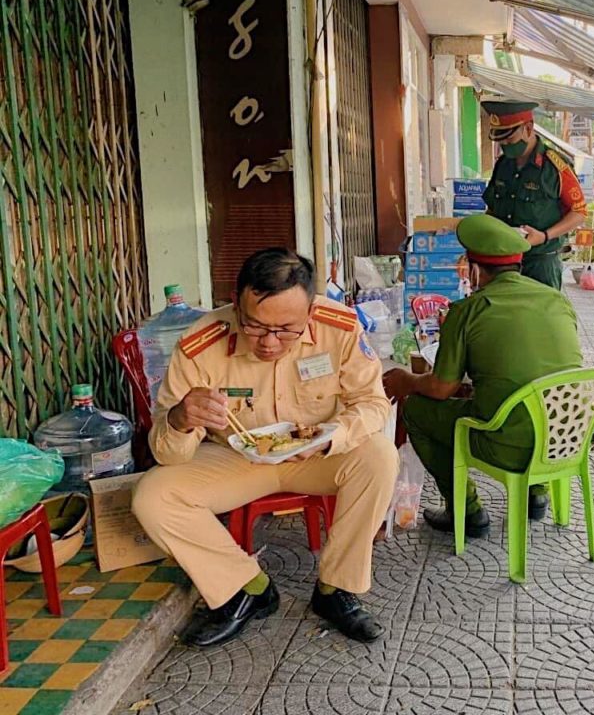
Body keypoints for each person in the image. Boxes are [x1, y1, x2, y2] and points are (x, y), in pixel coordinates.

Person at [132, 248, 398, 647]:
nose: (270, 342)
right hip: (235, 458)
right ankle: (246, 588)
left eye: (287, 330)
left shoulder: (339, 327)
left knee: (379, 457)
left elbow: (374, 404)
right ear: (235, 305)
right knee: (152, 497)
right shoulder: (199, 344)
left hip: (314, 453)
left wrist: (331, 436)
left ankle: (335, 589)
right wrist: (179, 420)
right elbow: (168, 455)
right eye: (255, 327)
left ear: (310, 312)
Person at [382, 215, 583, 535]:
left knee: (418, 410)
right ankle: (537, 493)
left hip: (505, 442)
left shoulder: (467, 310)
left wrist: (406, 381)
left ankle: (467, 510)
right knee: (531, 399)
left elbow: (441, 388)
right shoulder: (557, 299)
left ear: (474, 271)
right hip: (568, 437)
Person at [480, 99, 587, 289]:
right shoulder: (503, 165)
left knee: (543, 316)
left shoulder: (555, 167)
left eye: (509, 140)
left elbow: (579, 212)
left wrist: (545, 236)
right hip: (504, 263)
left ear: (528, 129)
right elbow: (492, 210)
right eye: (501, 141)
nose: (505, 145)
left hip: (541, 263)